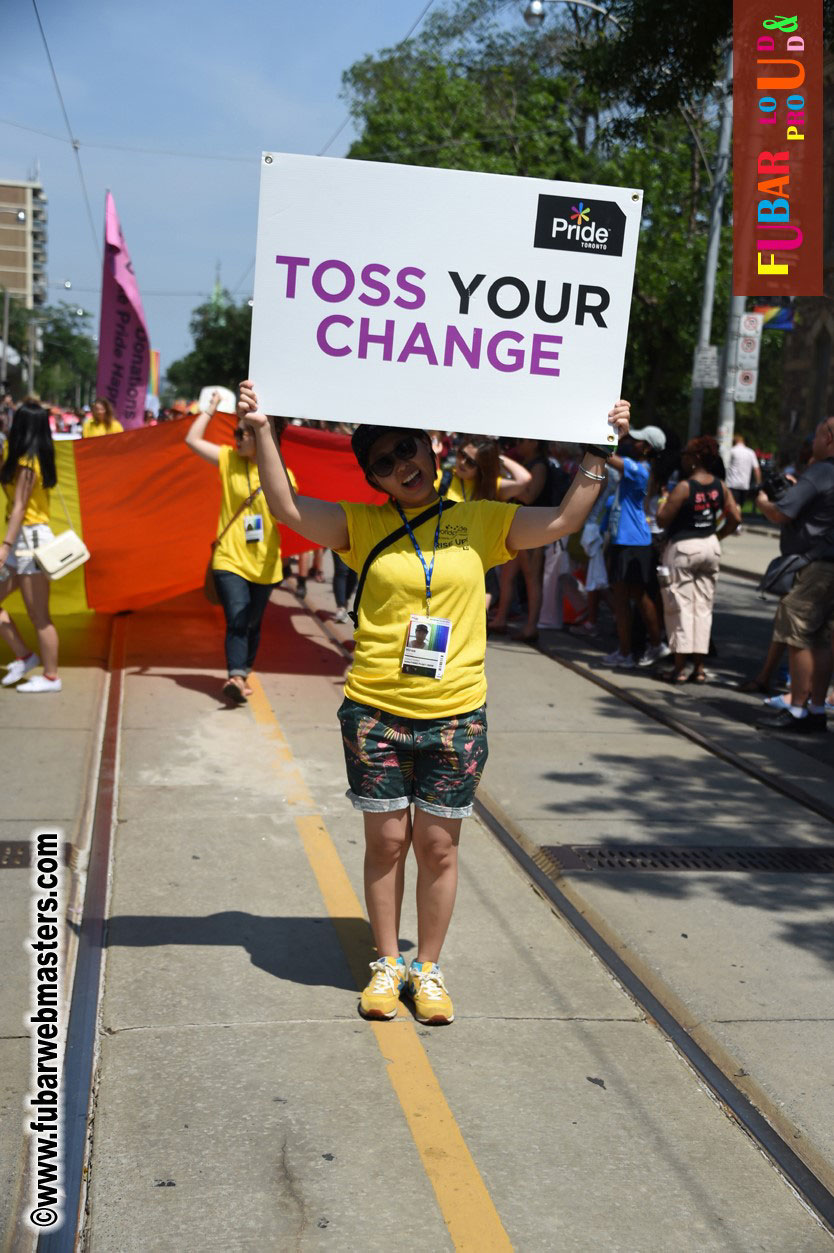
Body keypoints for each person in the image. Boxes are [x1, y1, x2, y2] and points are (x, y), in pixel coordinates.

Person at [239, 377, 630, 1025]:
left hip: (455, 715)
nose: (402, 466)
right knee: (388, 841)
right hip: (375, 713)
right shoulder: (361, 524)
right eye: (385, 463)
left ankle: (429, 966)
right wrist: (259, 428)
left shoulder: (480, 520)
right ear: (374, 478)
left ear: (432, 445)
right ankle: (388, 962)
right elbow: (285, 507)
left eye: (407, 450)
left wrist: (596, 451)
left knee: (440, 848)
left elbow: (563, 520)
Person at [185, 391, 296, 705]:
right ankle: (234, 675)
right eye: (237, 431)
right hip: (229, 558)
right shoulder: (227, 459)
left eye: (246, 433)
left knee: (252, 622)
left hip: (265, 563)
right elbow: (191, 440)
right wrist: (210, 409)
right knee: (237, 616)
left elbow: (289, 513)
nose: (238, 438)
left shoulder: (283, 475)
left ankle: (243, 672)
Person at [754, 416, 834, 733]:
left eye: (815, 435)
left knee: (799, 636)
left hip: (813, 568)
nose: (811, 441)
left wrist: (762, 501)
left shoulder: (820, 471)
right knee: (825, 641)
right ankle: (816, 708)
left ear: (828, 437)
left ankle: (798, 708)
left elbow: (781, 512)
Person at [656, 436, 741, 683]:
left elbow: (662, 519)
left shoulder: (684, 487)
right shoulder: (719, 486)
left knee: (679, 606)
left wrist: (662, 499)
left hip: (684, 548)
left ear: (694, 459)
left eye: (685, 454)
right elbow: (735, 517)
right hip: (709, 547)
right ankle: (700, 669)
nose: (682, 458)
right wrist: (717, 536)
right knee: (703, 609)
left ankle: (679, 668)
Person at [0, 401, 62, 692]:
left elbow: (20, 509)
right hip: (20, 542)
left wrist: (4, 546)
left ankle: (51, 677)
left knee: (39, 615)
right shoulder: (19, 459)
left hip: (30, 542)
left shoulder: (28, 464)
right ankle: (25, 656)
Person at [603, 425, 669, 668]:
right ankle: (647, 645)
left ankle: (628, 651)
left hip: (630, 541)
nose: (634, 442)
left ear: (648, 448)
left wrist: (607, 437)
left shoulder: (640, 470)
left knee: (626, 598)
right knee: (634, 597)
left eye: (639, 441)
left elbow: (608, 457)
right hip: (630, 540)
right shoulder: (641, 468)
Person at [443, 436, 531, 503]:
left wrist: (495, 457)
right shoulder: (442, 477)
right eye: (462, 454)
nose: (462, 462)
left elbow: (523, 479)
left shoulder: (491, 487)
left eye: (471, 462)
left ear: (482, 468)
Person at [726, 433, 761, 515]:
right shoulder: (750, 452)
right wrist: (758, 483)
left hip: (732, 483)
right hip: (745, 484)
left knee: (734, 505)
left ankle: (736, 523)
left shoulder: (732, 451)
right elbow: (756, 469)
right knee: (739, 505)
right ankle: (736, 522)